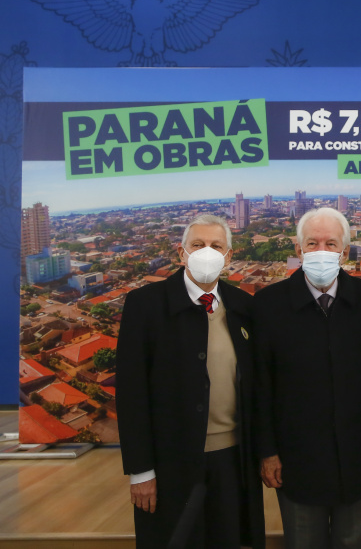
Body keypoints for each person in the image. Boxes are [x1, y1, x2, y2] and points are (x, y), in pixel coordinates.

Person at [117, 214, 265, 549]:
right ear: (181, 253)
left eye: (216, 246)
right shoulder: (145, 305)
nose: (206, 253)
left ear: (229, 256)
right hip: (171, 462)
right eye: (197, 245)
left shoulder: (243, 306)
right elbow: (131, 394)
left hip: (232, 459)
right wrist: (141, 471)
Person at [254, 207, 361, 549]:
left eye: (331, 243)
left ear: (344, 251)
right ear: (298, 250)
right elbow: (260, 385)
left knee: (355, 541)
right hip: (296, 458)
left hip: (356, 453)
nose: (321, 251)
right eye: (312, 243)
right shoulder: (268, 305)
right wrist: (267, 452)